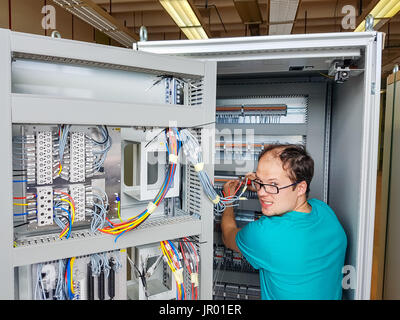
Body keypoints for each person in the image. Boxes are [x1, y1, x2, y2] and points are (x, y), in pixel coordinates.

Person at [221, 143, 347, 300]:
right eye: (259, 182)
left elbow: (228, 235)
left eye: (273, 184)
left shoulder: (264, 234)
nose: (261, 192)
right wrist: (267, 184)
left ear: (300, 188)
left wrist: (228, 200)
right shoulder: (324, 212)